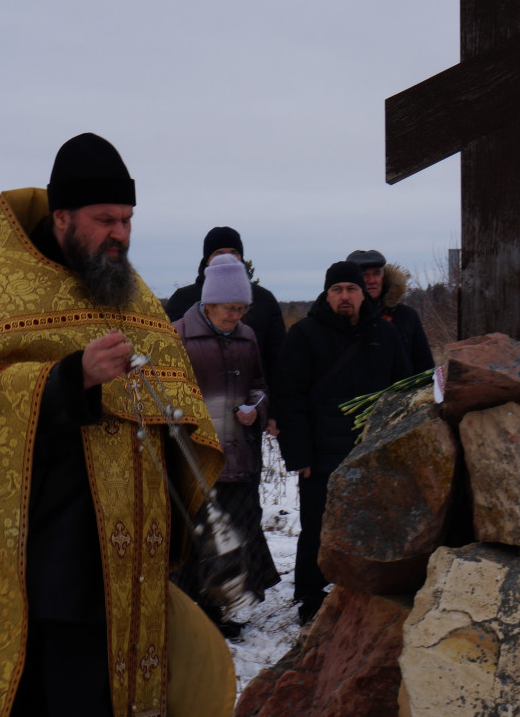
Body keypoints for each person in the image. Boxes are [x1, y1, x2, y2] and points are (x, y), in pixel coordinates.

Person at [0, 133, 233, 717]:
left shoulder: (126, 289)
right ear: (63, 216)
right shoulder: (3, 288)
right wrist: (71, 378)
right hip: (51, 568)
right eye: (104, 220)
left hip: (131, 566)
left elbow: (170, 375)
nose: (119, 234)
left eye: (127, 220)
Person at [275, 260, 411, 622]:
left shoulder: (385, 335)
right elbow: (290, 399)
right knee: (318, 527)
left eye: (351, 289)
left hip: (372, 452)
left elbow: (404, 390)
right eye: (337, 290)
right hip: (321, 454)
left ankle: (364, 592)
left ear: (363, 294)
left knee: (371, 524)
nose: (345, 297)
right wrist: (298, 454)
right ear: (327, 294)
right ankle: (311, 598)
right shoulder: (304, 335)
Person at [172, 254, 282, 638]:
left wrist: (257, 407)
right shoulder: (177, 337)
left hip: (239, 455)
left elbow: (259, 385)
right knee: (200, 536)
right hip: (196, 457)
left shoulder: (247, 338)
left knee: (237, 533)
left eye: (241, 309)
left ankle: (231, 610)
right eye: (230, 308)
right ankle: (197, 613)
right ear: (209, 302)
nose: (236, 316)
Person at [166, 226, 287, 435]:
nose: (227, 259)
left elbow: (279, 363)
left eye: (233, 253)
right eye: (218, 253)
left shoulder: (263, 301)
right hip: (194, 423)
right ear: (206, 260)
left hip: (245, 421)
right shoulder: (183, 301)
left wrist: (271, 411)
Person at [346, 249, 434, 374]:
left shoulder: (406, 317)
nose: (371, 280)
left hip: (401, 392)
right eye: (364, 275)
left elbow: (425, 368)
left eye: (376, 274)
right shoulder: (341, 318)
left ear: (384, 277)